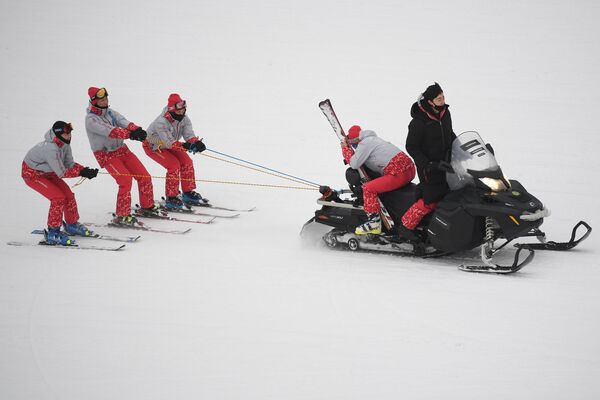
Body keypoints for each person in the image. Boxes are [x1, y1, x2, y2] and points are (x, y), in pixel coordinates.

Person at [85, 87, 159, 225]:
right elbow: (111, 131)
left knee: (145, 177)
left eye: (106, 98)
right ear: (94, 101)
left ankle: (147, 206)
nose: (105, 101)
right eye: (101, 99)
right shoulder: (91, 120)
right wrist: (130, 135)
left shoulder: (110, 112)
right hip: (106, 155)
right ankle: (122, 215)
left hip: (122, 150)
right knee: (125, 181)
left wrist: (136, 129)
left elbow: (124, 122)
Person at [22, 121, 99, 245]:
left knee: (68, 195)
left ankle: (71, 224)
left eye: (69, 133)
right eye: (66, 134)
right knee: (57, 198)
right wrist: (81, 172)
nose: (69, 136)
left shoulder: (64, 144)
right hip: (33, 174)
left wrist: (84, 170)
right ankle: (53, 232)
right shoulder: (51, 148)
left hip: (49, 172)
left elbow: (70, 165)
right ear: (58, 134)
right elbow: (62, 172)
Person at [400, 82, 456, 240]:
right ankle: (406, 226)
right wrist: (428, 164)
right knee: (431, 199)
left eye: (443, 97)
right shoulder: (419, 122)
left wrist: (462, 148)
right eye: (439, 99)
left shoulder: (445, 113)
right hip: (429, 168)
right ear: (430, 101)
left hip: (446, 163)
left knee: (453, 192)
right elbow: (411, 146)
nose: (443, 100)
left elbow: (449, 133)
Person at [341, 125, 416, 235]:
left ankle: (374, 224)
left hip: (398, 173)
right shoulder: (374, 140)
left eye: (353, 144)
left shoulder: (364, 143)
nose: (354, 147)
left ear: (355, 140)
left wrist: (345, 148)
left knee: (368, 188)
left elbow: (354, 163)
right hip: (410, 170)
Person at [144, 93, 208, 210]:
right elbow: (170, 143)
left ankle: (188, 192)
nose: (182, 112)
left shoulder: (184, 118)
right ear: (172, 109)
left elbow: (188, 134)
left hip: (171, 145)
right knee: (173, 165)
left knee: (187, 162)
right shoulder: (161, 122)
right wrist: (186, 145)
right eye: (180, 110)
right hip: (153, 146)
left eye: (184, 109)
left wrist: (195, 142)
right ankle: (171, 198)